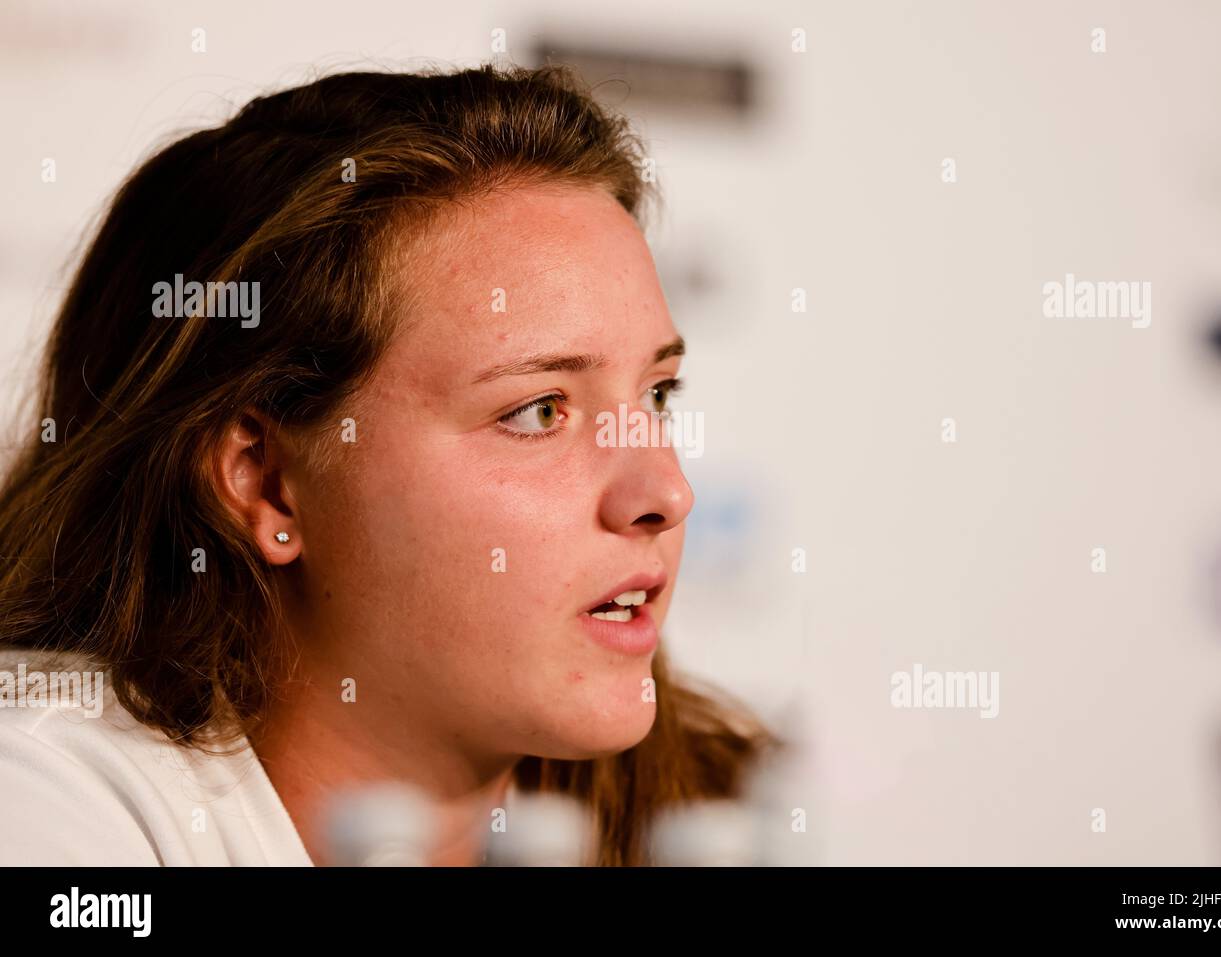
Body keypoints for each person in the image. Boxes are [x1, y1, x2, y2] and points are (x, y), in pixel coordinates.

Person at [0, 64, 776, 866]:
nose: (667, 493)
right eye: (539, 410)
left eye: (657, 391)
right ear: (266, 482)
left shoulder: (721, 806)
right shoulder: (43, 789)